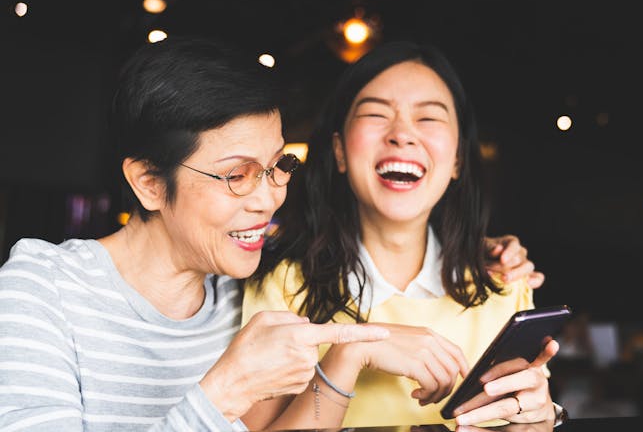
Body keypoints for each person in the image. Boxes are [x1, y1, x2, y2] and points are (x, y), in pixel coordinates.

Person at [0, 37, 395, 431]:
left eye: (279, 165)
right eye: (237, 175)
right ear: (149, 183)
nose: (269, 199)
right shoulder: (42, 288)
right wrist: (226, 389)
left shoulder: (258, 292)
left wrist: (350, 354)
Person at [241, 41, 560, 429]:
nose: (402, 134)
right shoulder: (283, 288)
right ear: (339, 151)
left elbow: (529, 417)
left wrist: (544, 419)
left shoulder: (505, 285)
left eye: (429, 118)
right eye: (376, 114)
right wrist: (351, 351)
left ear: (457, 158)